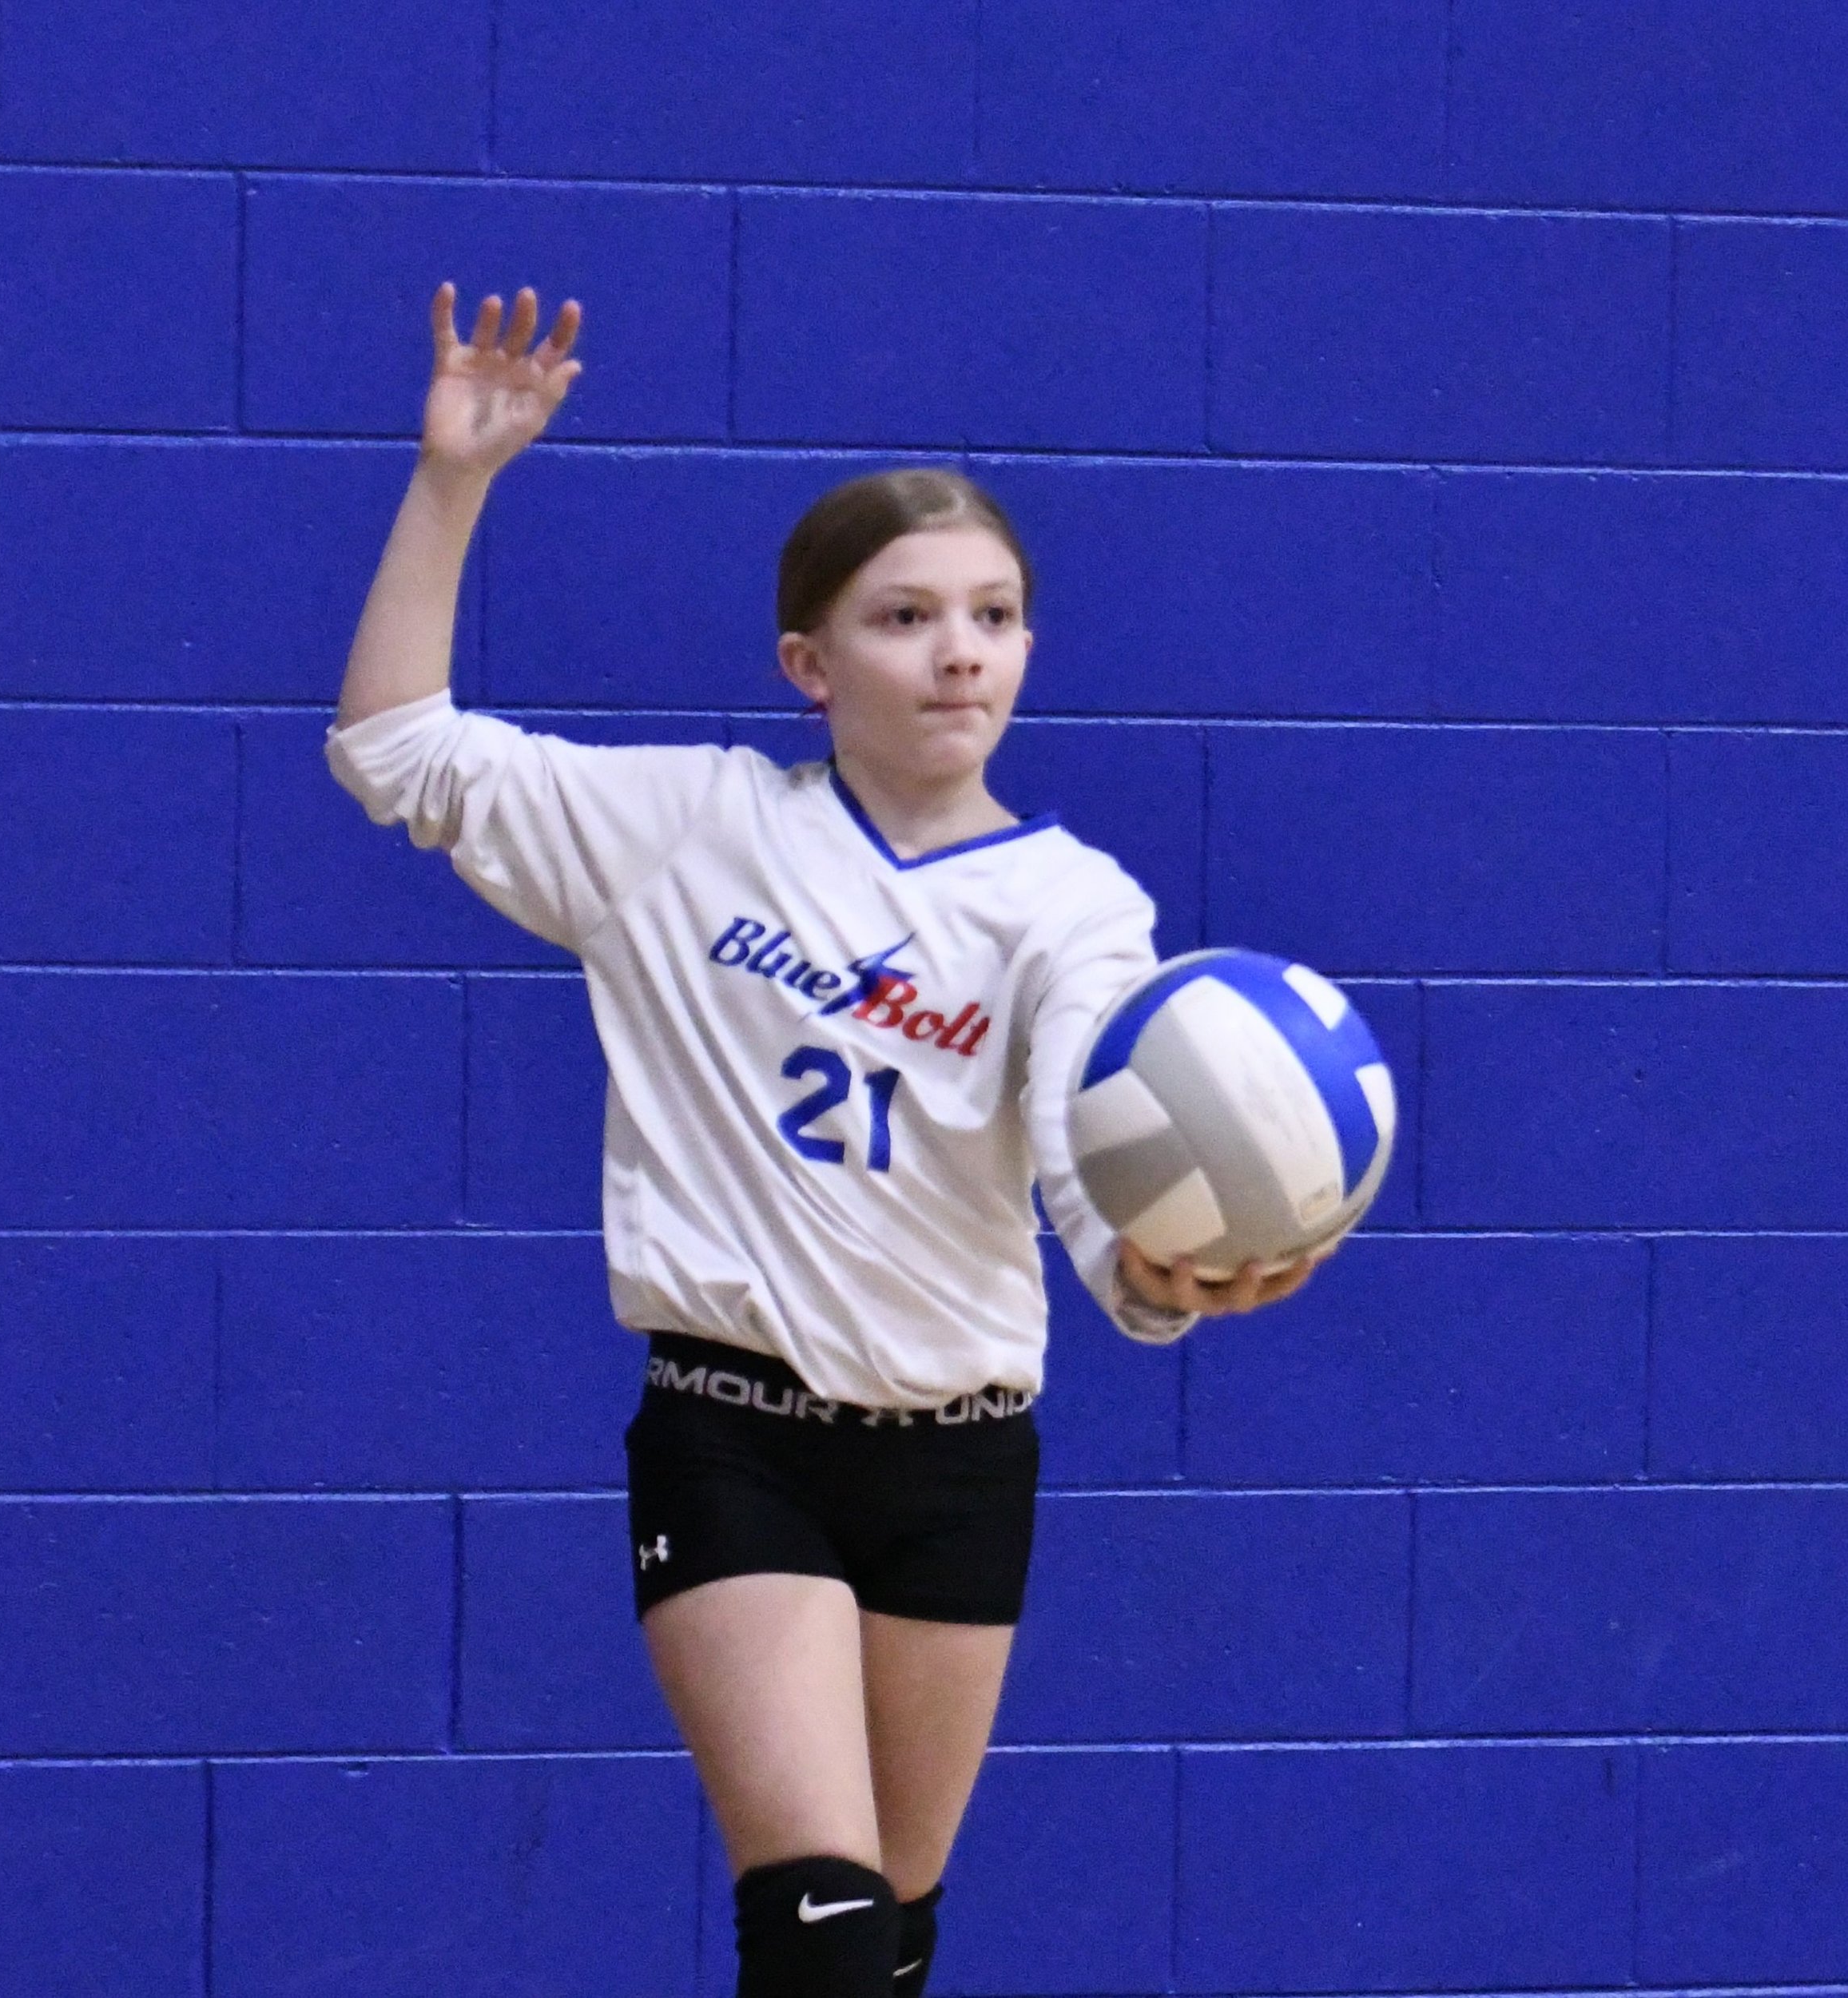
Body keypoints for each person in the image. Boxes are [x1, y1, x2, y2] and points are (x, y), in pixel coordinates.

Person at [324, 283, 1325, 1998]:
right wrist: (454, 483)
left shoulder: (1076, 909)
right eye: (905, 615)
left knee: (894, 1942)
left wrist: (1154, 1275)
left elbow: (1091, 1153)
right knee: (819, 1923)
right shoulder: (685, 831)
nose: (958, 650)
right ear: (808, 662)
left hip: (957, 1455)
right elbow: (393, 748)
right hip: (735, 1433)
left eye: (995, 615)